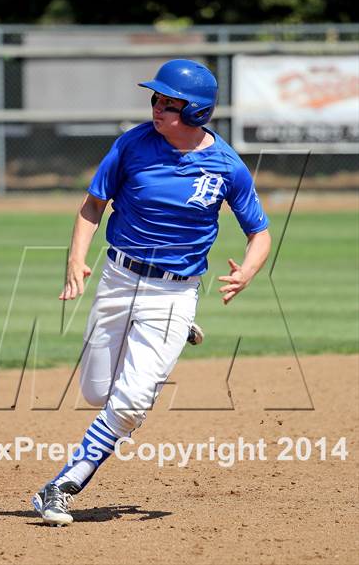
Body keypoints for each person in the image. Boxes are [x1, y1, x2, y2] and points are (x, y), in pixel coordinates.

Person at [32, 58, 271, 526]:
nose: (157, 108)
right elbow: (93, 204)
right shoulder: (131, 146)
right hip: (119, 279)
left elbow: (258, 232)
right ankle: (171, 334)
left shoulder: (226, 167)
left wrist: (247, 272)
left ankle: (61, 485)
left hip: (173, 292)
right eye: (155, 99)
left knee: (132, 401)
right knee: (98, 390)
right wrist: (75, 259)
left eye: (168, 103)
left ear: (198, 112)